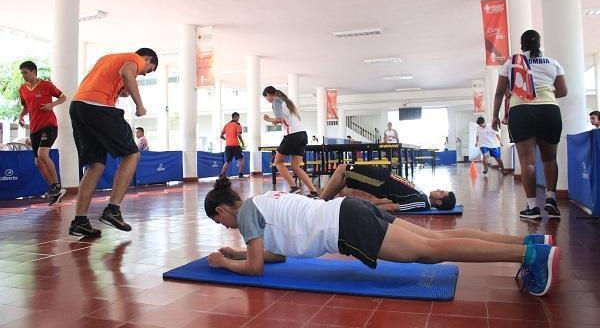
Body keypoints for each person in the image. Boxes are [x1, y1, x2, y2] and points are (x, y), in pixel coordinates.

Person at [204, 177, 559, 296]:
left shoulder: (248, 215)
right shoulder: (262, 200)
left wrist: (223, 262)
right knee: (430, 243)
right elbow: (277, 255)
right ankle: (528, 244)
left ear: (222, 211)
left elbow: (256, 271)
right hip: (349, 211)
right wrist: (239, 255)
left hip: (346, 224)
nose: (227, 229)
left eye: (221, 223)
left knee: (431, 251)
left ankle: (529, 258)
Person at [68, 48, 158, 237]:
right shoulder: (135, 58)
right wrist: (139, 105)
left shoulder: (107, 58)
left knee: (96, 165)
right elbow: (126, 72)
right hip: (98, 106)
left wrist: (119, 91)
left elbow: (100, 80)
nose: (143, 73)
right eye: (148, 69)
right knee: (132, 154)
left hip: (78, 107)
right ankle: (113, 210)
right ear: (147, 58)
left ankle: (80, 221)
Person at [493, 30, 567, 221]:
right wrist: (545, 94)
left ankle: (533, 208)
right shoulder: (553, 63)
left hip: (522, 111)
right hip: (550, 111)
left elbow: (500, 92)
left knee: (528, 162)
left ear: (521, 44)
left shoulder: (512, 62)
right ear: (539, 44)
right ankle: (551, 199)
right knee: (549, 159)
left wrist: (495, 116)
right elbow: (563, 91)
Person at [17, 61, 67, 205]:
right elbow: (26, 106)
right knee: (38, 162)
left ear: (33, 71)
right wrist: (21, 115)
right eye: (22, 73)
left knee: (42, 155)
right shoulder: (23, 89)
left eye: (25, 72)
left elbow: (63, 97)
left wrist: (52, 104)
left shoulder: (46, 85)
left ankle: (57, 185)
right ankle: (54, 188)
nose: (24, 76)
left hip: (49, 126)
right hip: (34, 129)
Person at [320, 164, 456, 212]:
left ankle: (318, 203)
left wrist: (368, 209)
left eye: (441, 192)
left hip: (380, 180)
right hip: (382, 176)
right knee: (347, 177)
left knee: (342, 168)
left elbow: (394, 207)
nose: (439, 189)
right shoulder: (423, 197)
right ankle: (323, 202)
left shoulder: (422, 202)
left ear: (438, 202)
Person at [262, 86, 318, 197]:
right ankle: (313, 191)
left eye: (266, 97)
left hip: (292, 135)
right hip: (302, 135)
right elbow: (284, 120)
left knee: (277, 162)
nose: (267, 100)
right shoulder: (286, 102)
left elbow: (279, 119)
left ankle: (294, 187)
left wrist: (268, 119)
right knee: (295, 166)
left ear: (269, 94)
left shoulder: (276, 101)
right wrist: (277, 121)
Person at [220, 112, 245, 178]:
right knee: (241, 159)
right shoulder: (237, 124)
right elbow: (239, 135)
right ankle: (240, 174)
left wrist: (227, 140)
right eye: (238, 117)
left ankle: (221, 175)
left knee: (228, 161)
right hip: (235, 145)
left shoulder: (227, 125)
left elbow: (221, 136)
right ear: (236, 117)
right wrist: (242, 142)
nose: (239, 118)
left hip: (228, 146)